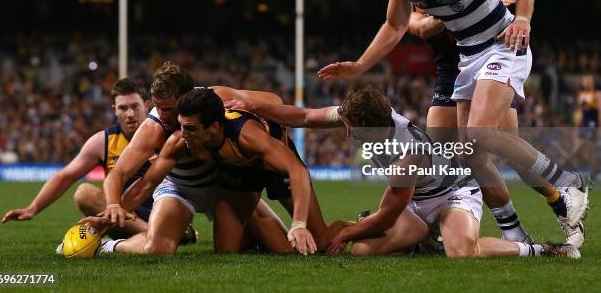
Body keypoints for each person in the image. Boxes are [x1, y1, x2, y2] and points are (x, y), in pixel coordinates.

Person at [316, 0, 588, 238]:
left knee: (479, 135)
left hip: (501, 44)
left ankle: (566, 183)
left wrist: (523, 18)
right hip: (467, 57)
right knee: (472, 153)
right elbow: (396, 24)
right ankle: (517, 232)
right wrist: (359, 65)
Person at [225, 86, 580, 259]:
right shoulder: (371, 117)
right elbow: (303, 117)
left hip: (454, 192)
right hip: (417, 200)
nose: (344, 132)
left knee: (461, 252)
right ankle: (423, 240)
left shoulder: (407, 156)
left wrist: (346, 233)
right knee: (364, 253)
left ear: (371, 129)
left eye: (350, 128)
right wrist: (256, 105)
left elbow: (386, 215)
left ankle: (540, 250)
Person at [409, 5, 584, 247]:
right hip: (451, 73)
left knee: (513, 156)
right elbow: (422, 28)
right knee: (447, 158)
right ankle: (512, 232)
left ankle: (562, 203)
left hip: (489, 65)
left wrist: (482, 7)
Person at [93, 61, 293, 255]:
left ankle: (244, 238)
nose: (162, 115)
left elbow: (275, 101)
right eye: (157, 107)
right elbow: (123, 175)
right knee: (156, 249)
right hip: (179, 187)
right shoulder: (153, 128)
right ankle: (108, 247)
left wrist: (249, 106)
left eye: (169, 109)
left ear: (186, 99)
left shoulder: (212, 101)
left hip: (227, 186)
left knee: (283, 249)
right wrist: (112, 205)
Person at [172, 88, 347, 255]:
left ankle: (355, 226)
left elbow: (297, 170)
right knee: (226, 250)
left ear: (214, 127)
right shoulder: (188, 130)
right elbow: (152, 176)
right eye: (182, 126)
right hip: (239, 169)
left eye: (190, 128)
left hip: (272, 164)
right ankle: (253, 225)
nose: (183, 134)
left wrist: (299, 224)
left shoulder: (247, 135)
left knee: (322, 241)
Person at [1, 78, 152, 239]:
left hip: (159, 211)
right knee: (84, 194)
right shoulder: (103, 141)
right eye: (123, 108)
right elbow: (65, 176)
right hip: (123, 215)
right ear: (114, 110)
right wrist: (32, 209)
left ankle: (153, 234)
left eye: (135, 106)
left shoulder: (163, 134)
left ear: (147, 105)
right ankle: (153, 234)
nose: (130, 114)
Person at [575, 74, 599, 181]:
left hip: (592, 123)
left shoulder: (597, 94)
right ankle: (593, 167)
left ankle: (593, 173)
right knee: (579, 149)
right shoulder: (581, 94)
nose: (587, 83)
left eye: (589, 81)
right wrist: (577, 127)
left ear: (593, 82)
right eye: (585, 81)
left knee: (590, 149)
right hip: (584, 123)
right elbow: (580, 112)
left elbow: (599, 111)